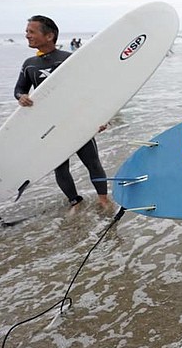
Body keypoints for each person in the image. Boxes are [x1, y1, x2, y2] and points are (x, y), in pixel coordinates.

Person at [15, 15, 111, 211]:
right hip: (49, 125)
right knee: (60, 167)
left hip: (77, 120)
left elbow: (91, 91)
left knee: (92, 162)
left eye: (31, 32)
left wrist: (101, 118)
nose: (27, 36)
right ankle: (75, 201)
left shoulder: (70, 59)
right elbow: (19, 89)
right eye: (26, 32)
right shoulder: (29, 64)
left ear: (49, 36)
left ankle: (103, 199)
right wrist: (21, 97)